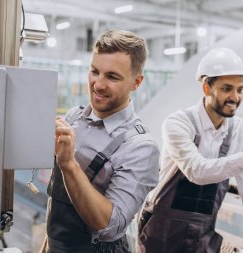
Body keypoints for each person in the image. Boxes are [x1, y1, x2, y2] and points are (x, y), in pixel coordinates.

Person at [39, 30, 160, 253]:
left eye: (112, 77)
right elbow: (57, 208)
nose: (98, 84)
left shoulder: (140, 147)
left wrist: (69, 165)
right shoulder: (73, 118)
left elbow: (109, 225)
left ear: (137, 82)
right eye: (94, 71)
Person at [136, 47, 243, 253]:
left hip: (201, 236)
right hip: (160, 233)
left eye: (240, 89)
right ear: (207, 87)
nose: (235, 97)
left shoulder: (241, 131)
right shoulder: (178, 123)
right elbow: (197, 171)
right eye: (227, 88)